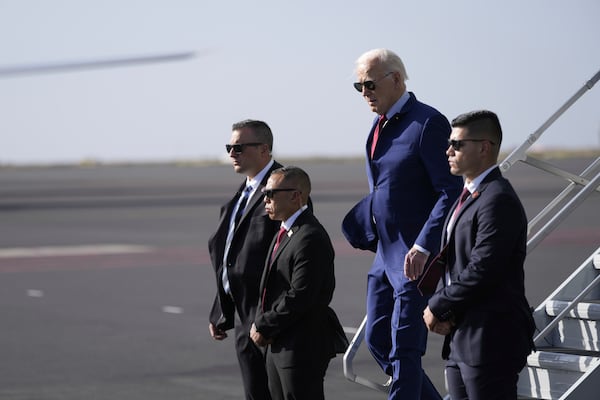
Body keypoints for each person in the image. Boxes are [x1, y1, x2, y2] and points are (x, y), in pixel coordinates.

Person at [342, 48, 463, 399]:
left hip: (415, 258)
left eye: (369, 84)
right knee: (378, 338)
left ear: (395, 79)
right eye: (358, 86)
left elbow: (450, 190)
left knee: (404, 348)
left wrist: (425, 244)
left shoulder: (427, 123)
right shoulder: (378, 126)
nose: (364, 93)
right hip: (385, 255)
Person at [423, 110, 535, 399]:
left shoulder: (497, 199)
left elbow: (484, 268)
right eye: (449, 143)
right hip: (463, 336)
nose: (448, 151)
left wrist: (437, 304)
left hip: (491, 339)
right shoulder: (470, 196)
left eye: (457, 144)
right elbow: (452, 263)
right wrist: (444, 309)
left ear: (484, 147)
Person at [250, 166, 346, 400]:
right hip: (280, 344)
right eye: (265, 193)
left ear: (296, 195)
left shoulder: (309, 236)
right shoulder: (286, 231)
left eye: (272, 193)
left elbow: (301, 295)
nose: (266, 199)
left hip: (300, 347)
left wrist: (264, 325)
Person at [208, 119, 282, 400]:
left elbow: (296, 254)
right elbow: (228, 257)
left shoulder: (284, 187)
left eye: (239, 147)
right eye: (229, 147)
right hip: (243, 317)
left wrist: (271, 319)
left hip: (272, 318)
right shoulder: (243, 193)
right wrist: (221, 307)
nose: (232, 154)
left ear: (264, 150)